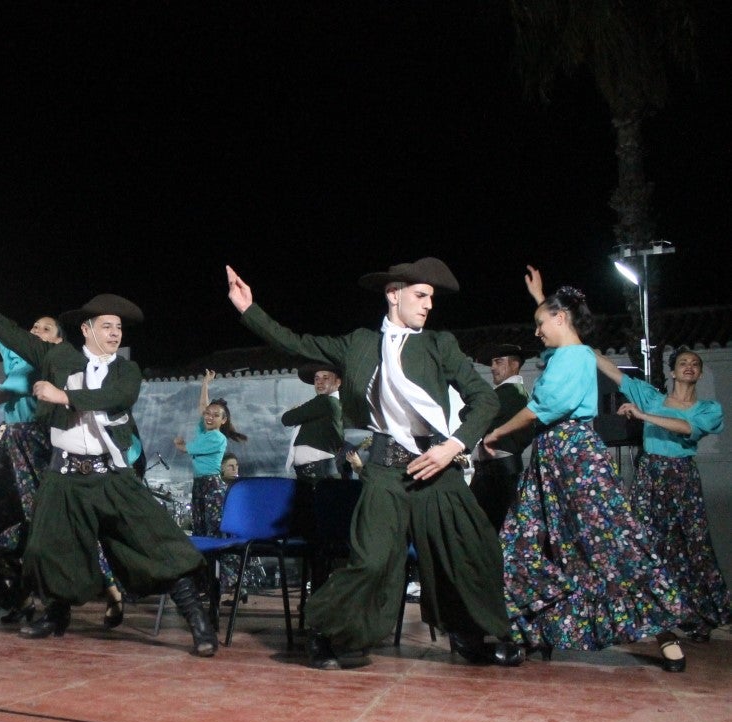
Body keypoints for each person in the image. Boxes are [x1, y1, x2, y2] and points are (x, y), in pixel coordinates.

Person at [228, 258, 521, 670]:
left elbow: (485, 399)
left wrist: (453, 446)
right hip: (386, 468)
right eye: (420, 296)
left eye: (432, 298)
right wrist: (248, 309)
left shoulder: (440, 345)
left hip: (438, 463)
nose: (428, 306)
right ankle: (330, 634)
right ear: (393, 294)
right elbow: (298, 343)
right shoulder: (359, 344)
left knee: (472, 546)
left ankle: (471, 634)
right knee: (372, 558)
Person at [0, 269, 217, 656]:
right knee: (46, 548)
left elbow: (115, 398)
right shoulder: (58, 357)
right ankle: (56, 614)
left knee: (157, 544)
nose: (115, 334)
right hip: (65, 475)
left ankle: (197, 620)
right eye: (107, 326)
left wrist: (64, 397)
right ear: (87, 329)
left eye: (118, 328)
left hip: (110, 475)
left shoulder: (126, 370)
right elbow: (15, 336)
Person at [483, 267, 685, 670]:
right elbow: (554, 342)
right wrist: (540, 296)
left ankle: (664, 630)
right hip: (552, 456)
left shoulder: (575, 356)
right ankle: (527, 629)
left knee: (611, 541)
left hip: (576, 457)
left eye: (542, 323)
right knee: (524, 540)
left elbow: (546, 406)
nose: (537, 332)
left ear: (561, 319)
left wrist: (495, 435)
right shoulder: (566, 355)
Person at [596, 346, 730, 643]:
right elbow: (612, 371)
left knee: (693, 545)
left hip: (682, 475)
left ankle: (698, 614)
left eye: (695, 363)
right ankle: (639, 613)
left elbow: (686, 428)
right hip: (651, 474)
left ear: (699, 372)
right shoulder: (652, 397)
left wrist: (644, 416)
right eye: (683, 362)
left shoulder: (707, 408)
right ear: (672, 371)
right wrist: (576, 341)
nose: (689, 366)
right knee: (642, 540)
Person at [0, 315, 68, 622]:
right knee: (0, 522)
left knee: (41, 521)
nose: (36, 331)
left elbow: (16, 385)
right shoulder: (18, 354)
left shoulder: (51, 361)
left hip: (39, 443)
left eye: (46, 329)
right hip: (13, 444)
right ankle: (18, 599)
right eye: (33, 326)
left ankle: (61, 599)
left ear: (57, 341)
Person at [174, 369, 247, 594]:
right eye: (209, 414)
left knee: (214, 536)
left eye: (216, 415)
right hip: (200, 485)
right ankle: (207, 583)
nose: (209, 416)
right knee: (201, 533)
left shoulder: (216, 437)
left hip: (212, 488)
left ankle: (227, 582)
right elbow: (203, 407)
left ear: (223, 421)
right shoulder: (205, 432)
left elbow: (185, 448)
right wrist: (205, 383)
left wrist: (182, 445)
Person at [470, 343, 535, 530]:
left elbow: (472, 415)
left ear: (514, 365)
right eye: (492, 363)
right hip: (500, 472)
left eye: (498, 362)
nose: (492, 368)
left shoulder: (509, 393)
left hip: (497, 474)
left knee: (488, 527)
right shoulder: (518, 394)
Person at [282, 362, 344, 480]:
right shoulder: (326, 405)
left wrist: (296, 411)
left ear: (337, 382)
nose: (319, 382)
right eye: (317, 378)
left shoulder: (325, 401)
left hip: (319, 474)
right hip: (314, 474)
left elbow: (287, 418)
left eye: (325, 378)